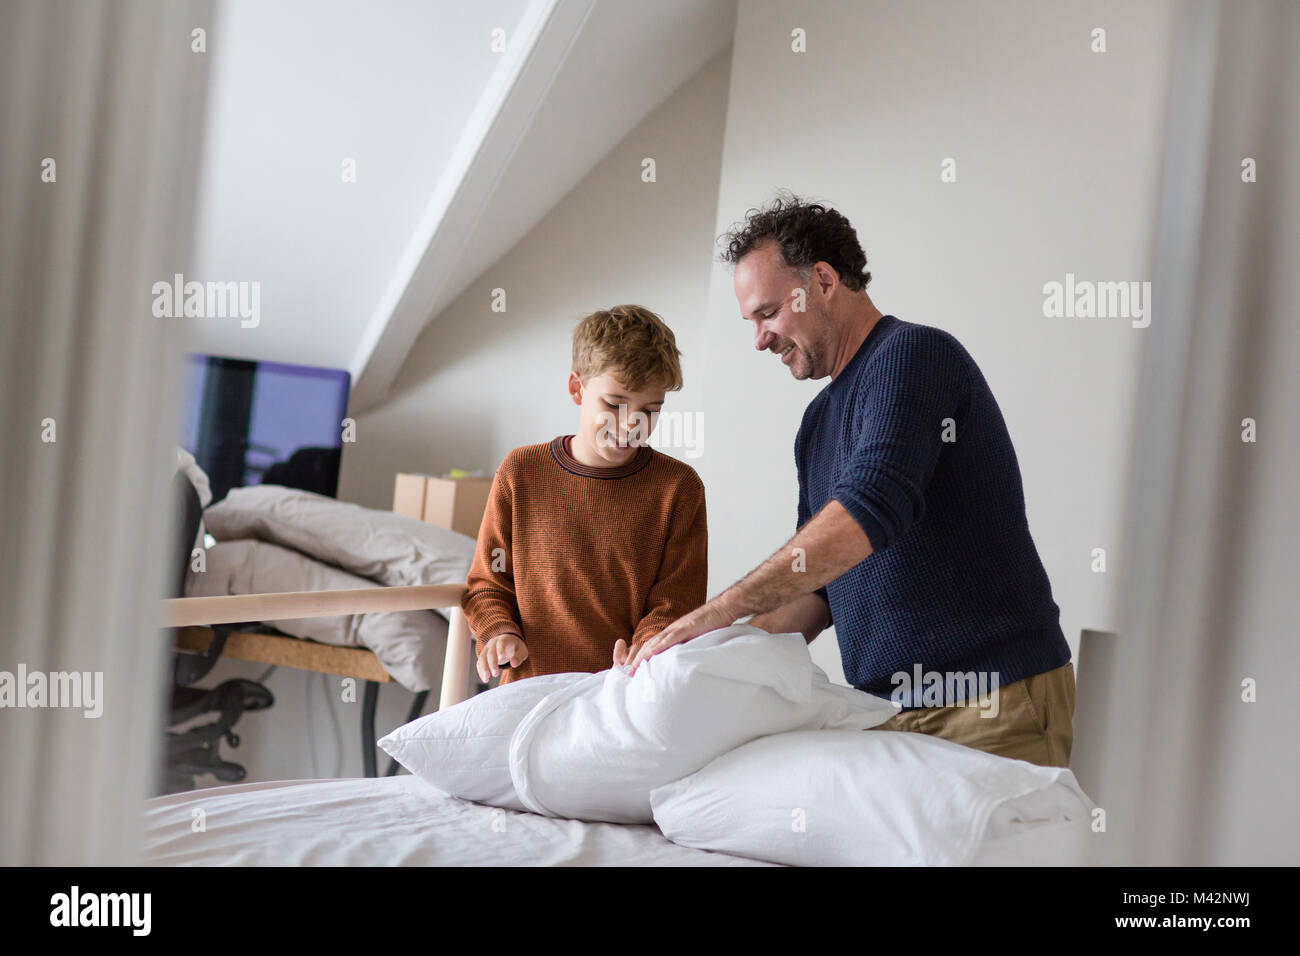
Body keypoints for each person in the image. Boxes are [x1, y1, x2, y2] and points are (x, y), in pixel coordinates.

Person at [626, 196, 1075, 768]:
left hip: (993, 700)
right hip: (890, 710)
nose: (759, 339)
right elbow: (815, 589)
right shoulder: (817, 425)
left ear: (821, 280)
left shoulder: (915, 355)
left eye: (767, 313)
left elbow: (873, 505)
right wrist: (699, 657)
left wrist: (719, 609)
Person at [461, 305, 707, 685]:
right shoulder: (521, 472)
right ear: (577, 388)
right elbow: (488, 582)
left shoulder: (678, 489)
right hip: (527, 696)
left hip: (623, 696)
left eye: (650, 409)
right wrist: (498, 632)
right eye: (614, 404)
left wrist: (640, 656)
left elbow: (675, 604)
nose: (631, 424)